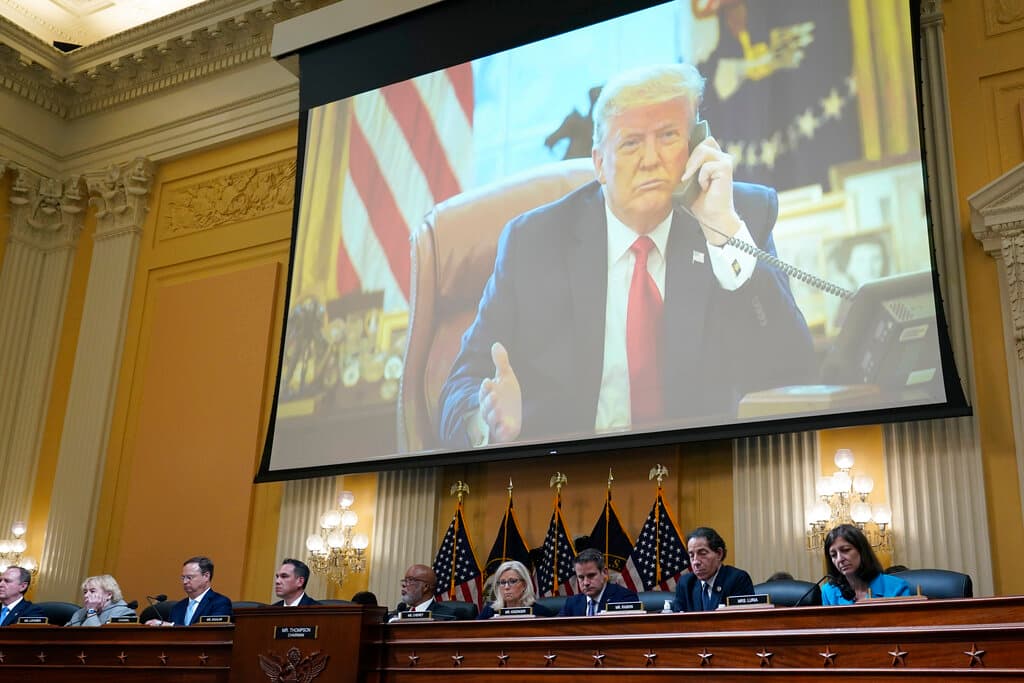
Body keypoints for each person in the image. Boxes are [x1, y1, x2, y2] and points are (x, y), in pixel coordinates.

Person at [438, 62, 813, 447]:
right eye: (631, 142)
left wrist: (724, 234)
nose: (650, 159)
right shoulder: (534, 244)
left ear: (697, 145)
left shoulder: (737, 217)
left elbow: (794, 372)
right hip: (570, 478)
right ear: (600, 163)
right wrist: (485, 421)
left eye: (668, 136)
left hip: (703, 469)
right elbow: (461, 383)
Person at [821, 524, 911, 605]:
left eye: (846, 550)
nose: (840, 559)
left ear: (862, 551)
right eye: (833, 555)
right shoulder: (828, 591)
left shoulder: (896, 586)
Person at [674, 527, 754, 612]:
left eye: (702, 553)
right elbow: (677, 622)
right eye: (691, 555)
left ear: (719, 554)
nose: (695, 562)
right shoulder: (685, 583)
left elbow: (744, 621)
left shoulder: (738, 580)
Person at [146, 556, 232, 626]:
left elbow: (212, 633)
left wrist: (171, 626)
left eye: (189, 577)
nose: (185, 582)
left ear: (206, 576)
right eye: (183, 578)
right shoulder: (177, 607)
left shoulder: (220, 603)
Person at [558, 548, 638, 616]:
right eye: (581, 577)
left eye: (591, 575)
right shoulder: (571, 603)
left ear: (605, 573)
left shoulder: (625, 598)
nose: (586, 583)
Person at [478, 560, 555, 619]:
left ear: (524, 585)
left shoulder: (539, 612)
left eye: (512, 581)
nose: (506, 587)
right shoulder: (489, 611)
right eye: (502, 582)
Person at [392, 564, 459, 620]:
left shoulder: (446, 616)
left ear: (425, 587)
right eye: (405, 580)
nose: (404, 585)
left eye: (410, 580)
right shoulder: (397, 615)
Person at [66, 574, 136, 626]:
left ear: (109, 595)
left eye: (92, 591)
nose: (86, 595)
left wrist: (91, 611)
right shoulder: (80, 613)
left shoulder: (123, 612)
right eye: (85, 592)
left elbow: (97, 638)